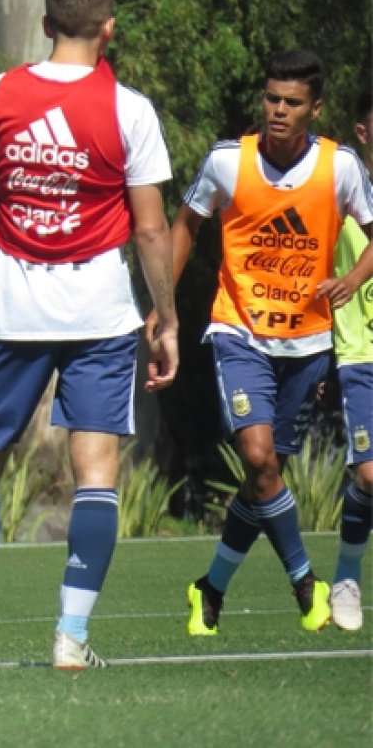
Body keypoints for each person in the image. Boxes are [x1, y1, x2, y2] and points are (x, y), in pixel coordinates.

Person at [0, 0, 178, 672]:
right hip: (100, 310)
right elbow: (151, 229)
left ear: (47, 24)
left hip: (15, 306)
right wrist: (167, 318)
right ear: (109, 28)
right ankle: (72, 639)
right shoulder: (131, 110)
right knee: (97, 471)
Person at [170, 51, 373, 636]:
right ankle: (307, 584)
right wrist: (162, 307)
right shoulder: (227, 161)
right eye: (272, 99)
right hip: (239, 332)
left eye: (292, 102)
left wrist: (351, 280)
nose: (279, 110)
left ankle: (210, 588)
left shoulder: (340, 167)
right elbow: (186, 225)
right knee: (258, 458)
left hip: (307, 346)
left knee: (264, 479)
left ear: (316, 108)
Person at [330, 88, 373, 631]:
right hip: (359, 352)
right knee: (368, 473)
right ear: (362, 132)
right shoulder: (340, 196)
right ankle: (346, 573)